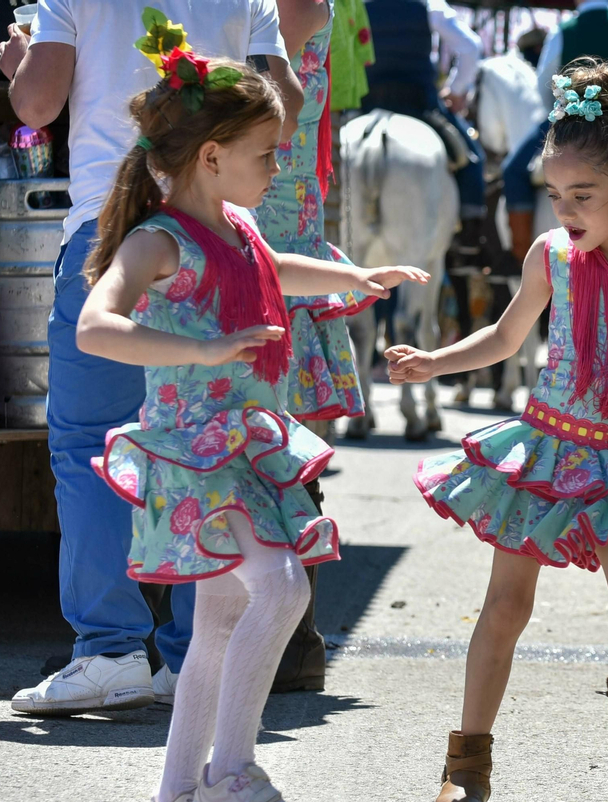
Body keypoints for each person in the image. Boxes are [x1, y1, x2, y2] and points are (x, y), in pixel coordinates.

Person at [74, 53, 428, 802]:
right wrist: (200, 351)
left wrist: (352, 278)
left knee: (220, 625)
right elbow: (94, 327)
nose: (277, 167)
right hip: (194, 458)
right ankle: (230, 773)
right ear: (211, 157)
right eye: (266, 154)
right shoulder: (159, 242)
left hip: (243, 447)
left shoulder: (239, 226)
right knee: (282, 587)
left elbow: (275, 267)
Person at [386, 60, 608, 802]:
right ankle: (466, 763)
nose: (565, 211)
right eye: (556, 195)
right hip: (546, 452)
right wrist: (436, 359)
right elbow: (506, 337)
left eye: (584, 196)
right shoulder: (551, 259)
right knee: (504, 608)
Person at [0, 0, 302, 715]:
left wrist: (18, 64)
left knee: (88, 444)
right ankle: (199, 653)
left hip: (116, 226)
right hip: (218, 239)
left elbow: (36, 106)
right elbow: (280, 109)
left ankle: (109, 651)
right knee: (209, 442)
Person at [255, 0, 378, 693]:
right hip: (275, 216)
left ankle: (292, 636)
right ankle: (291, 640)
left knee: (276, 447)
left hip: (270, 222)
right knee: (270, 444)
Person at [503, 0, 608, 258]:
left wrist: (566, 115)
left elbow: (544, 86)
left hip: (571, 117)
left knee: (513, 170)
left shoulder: (563, 30)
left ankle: (520, 254)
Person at [360, 0, 486, 251]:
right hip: (419, 105)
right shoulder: (429, 5)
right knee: (472, 158)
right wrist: (457, 89)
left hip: (366, 104)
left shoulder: (358, 4)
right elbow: (471, 47)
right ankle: (469, 235)